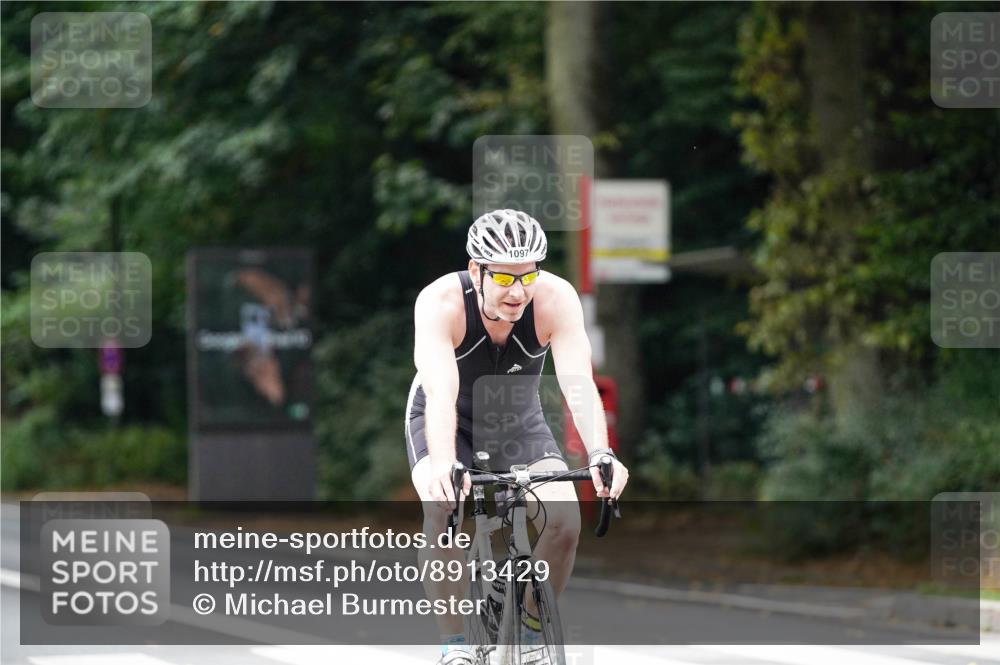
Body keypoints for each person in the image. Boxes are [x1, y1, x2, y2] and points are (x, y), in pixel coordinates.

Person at [405, 209, 630, 664]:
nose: (518, 291)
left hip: (518, 421)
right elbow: (442, 391)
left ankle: (530, 632)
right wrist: (446, 464)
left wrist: (601, 452)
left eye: (527, 276)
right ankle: (455, 645)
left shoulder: (555, 299)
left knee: (564, 520)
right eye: (505, 279)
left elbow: (578, 382)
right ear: (476, 270)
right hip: (447, 418)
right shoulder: (441, 303)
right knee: (444, 509)